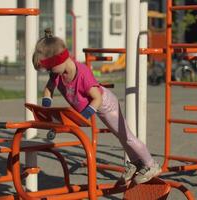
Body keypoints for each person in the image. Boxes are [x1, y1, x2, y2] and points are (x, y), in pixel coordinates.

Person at [32, 29, 161, 185]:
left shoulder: (82, 74)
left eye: (49, 68)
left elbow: (97, 98)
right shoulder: (57, 74)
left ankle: (151, 165)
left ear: (59, 60)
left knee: (127, 136)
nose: (49, 72)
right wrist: (46, 104)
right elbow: (49, 89)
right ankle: (136, 163)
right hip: (98, 107)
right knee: (121, 137)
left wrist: (84, 115)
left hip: (106, 104)